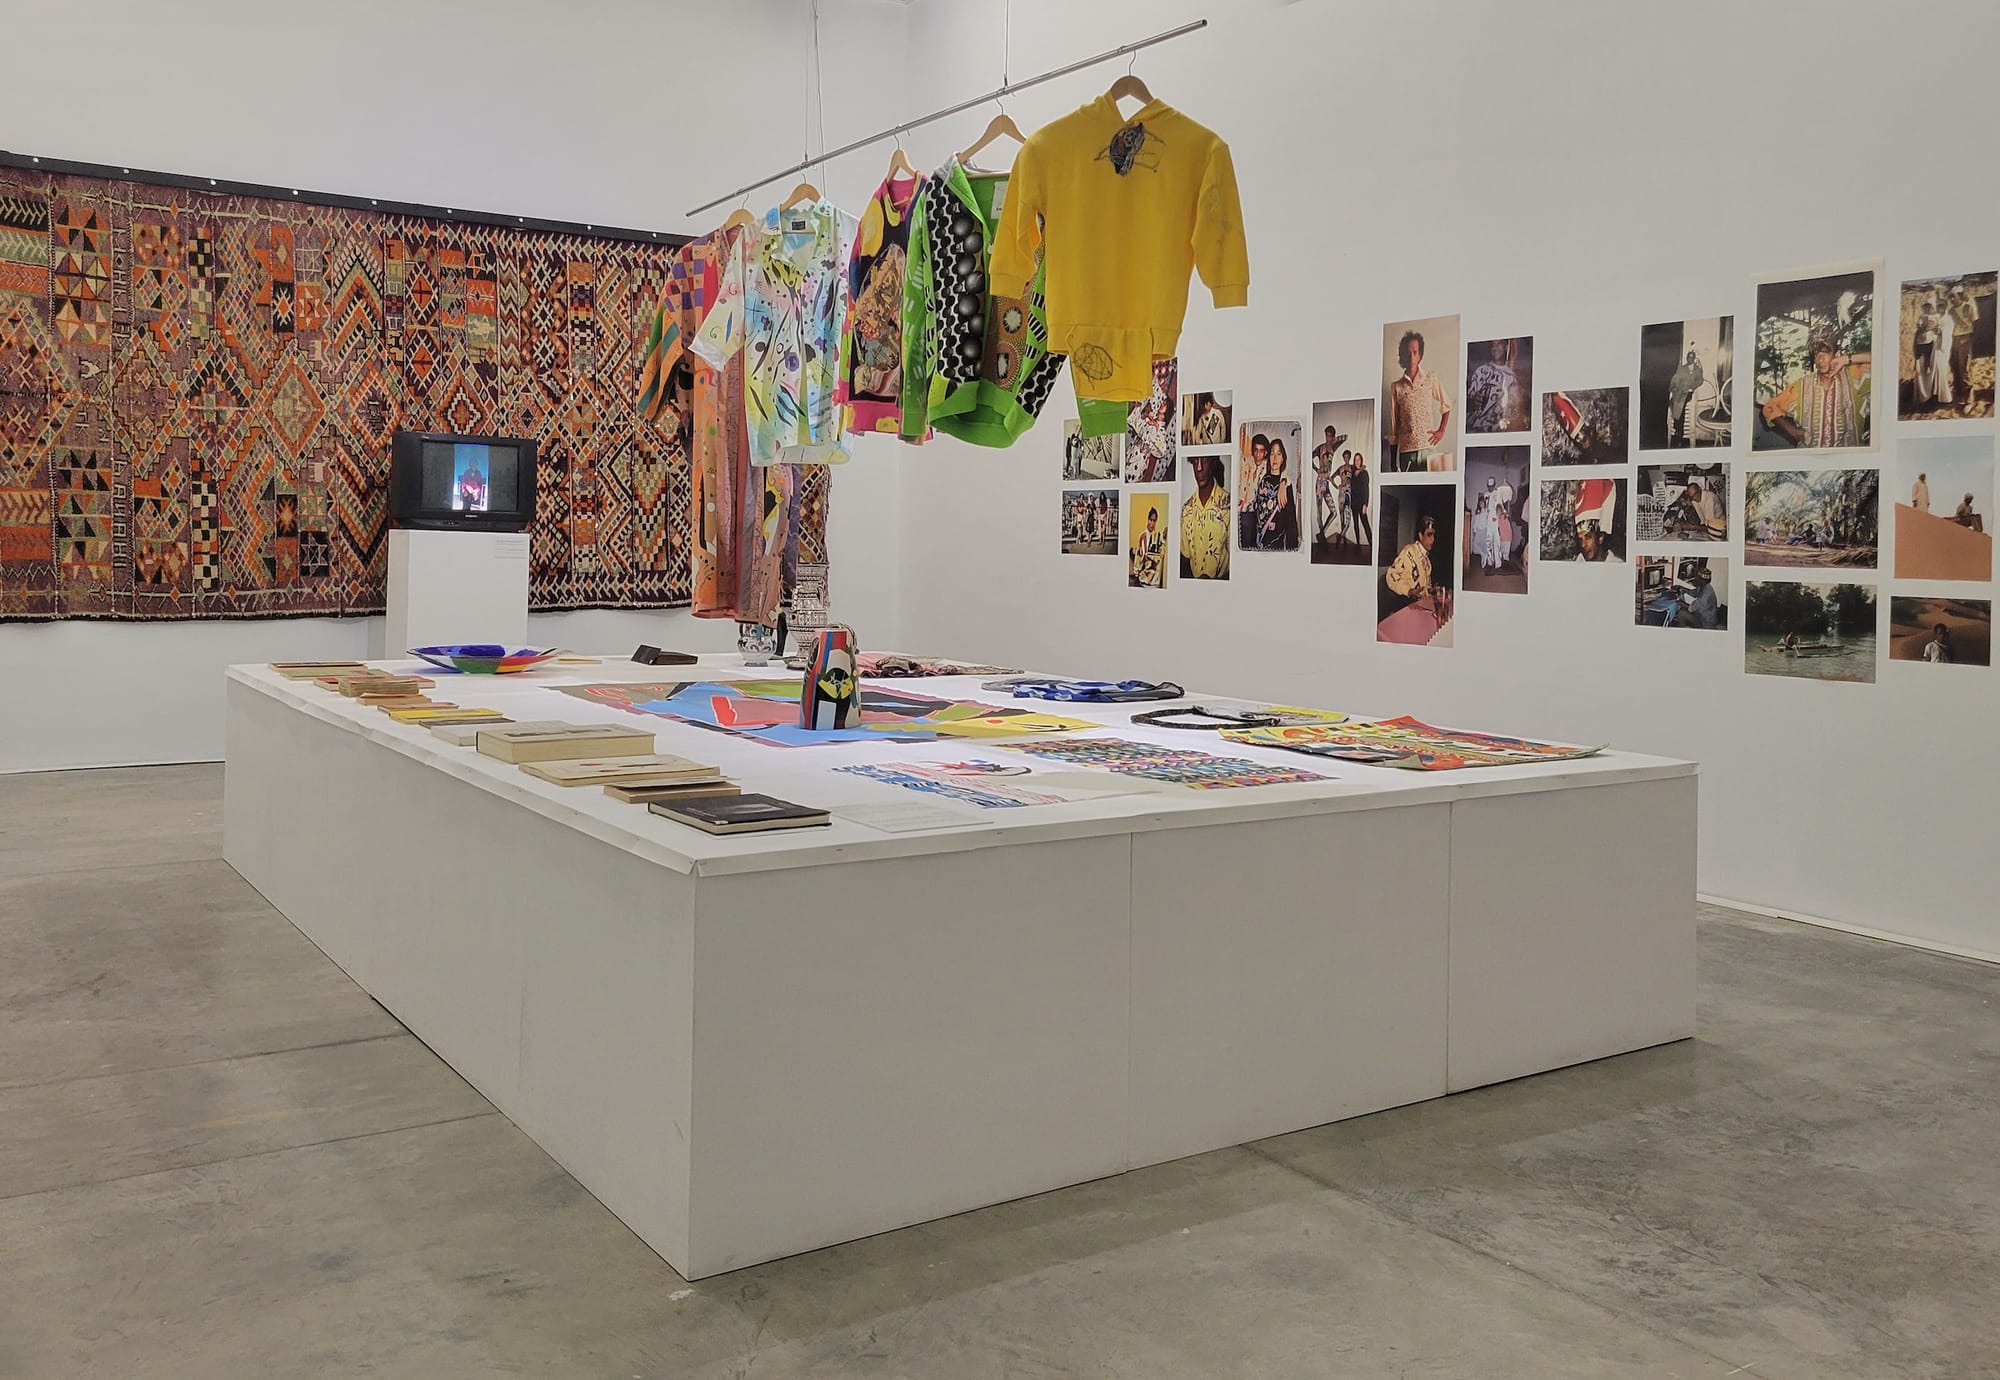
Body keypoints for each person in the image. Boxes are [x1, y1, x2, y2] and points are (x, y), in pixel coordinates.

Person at [1762, 333, 1871, 448]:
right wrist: (1792, 431)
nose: (1820, 359)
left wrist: (1847, 359)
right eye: (1816, 354)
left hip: (1847, 456)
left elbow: (1881, 358)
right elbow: (1770, 408)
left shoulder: (1855, 376)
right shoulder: (1801, 386)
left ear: (1837, 354)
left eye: (1825, 353)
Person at [1389, 330, 1452, 470]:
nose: (1411, 357)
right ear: (1403, 355)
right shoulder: (1396, 387)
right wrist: (1393, 463)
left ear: (1420, 355)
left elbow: (1447, 405)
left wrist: (1441, 430)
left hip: (1428, 449)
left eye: (1415, 352)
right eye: (1408, 353)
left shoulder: (1430, 378)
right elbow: (1394, 427)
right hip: (1406, 452)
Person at [1241, 431, 1299, 549]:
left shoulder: (1286, 485)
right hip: (1258, 539)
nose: (1275, 458)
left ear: (1283, 458)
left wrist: (1292, 550)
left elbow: (1291, 520)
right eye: (1272, 453)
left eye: (1279, 454)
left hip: (1276, 542)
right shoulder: (1263, 479)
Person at [1180, 455, 1231, 579]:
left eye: (1205, 460)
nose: (1199, 468)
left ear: (1213, 463)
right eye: (1195, 461)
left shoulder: (1229, 505)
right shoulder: (1187, 509)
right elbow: (1185, 558)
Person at [1384, 514, 1443, 618]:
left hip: (1420, 611)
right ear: (1420, 535)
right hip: (1404, 608)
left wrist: (1430, 591)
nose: (1433, 539)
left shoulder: (1428, 563)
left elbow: (1424, 590)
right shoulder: (1409, 552)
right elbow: (1390, 575)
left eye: (1434, 535)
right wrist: (1408, 591)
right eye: (1429, 535)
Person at [1466, 338, 1522, 433]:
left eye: (1499, 344)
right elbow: (1467, 402)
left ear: (1506, 347)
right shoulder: (1481, 371)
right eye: (1493, 345)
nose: (1495, 348)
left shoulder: (1512, 378)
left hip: (1497, 430)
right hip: (1475, 429)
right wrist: (1473, 401)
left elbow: (1514, 411)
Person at [1668, 346, 1704, 446]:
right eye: (1688, 357)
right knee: (1676, 404)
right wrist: (1673, 387)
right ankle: (1678, 432)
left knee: (1681, 406)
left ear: (1694, 358)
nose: (1690, 359)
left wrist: (1693, 387)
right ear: (1686, 358)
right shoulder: (1682, 368)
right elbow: (1675, 379)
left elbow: (1700, 380)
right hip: (1679, 391)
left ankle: (1678, 434)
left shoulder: (1697, 369)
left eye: (1692, 357)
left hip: (1688, 392)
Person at [1951, 286, 1980, 406]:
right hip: (1954, 339)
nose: (1952, 299)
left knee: (1964, 367)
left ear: (1960, 296)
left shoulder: (1969, 307)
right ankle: (1959, 394)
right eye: (1950, 297)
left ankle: (1968, 397)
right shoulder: (1950, 310)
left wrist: (1970, 339)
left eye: (1953, 296)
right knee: (1955, 367)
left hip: (1966, 338)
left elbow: (1976, 324)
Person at [1130, 506, 1165, 588]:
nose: (1152, 523)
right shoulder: (1142, 536)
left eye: (1154, 521)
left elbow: (1161, 555)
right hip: (1143, 579)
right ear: (1148, 519)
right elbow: (1138, 556)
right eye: (1150, 520)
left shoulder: (1158, 537)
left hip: (1155, 581)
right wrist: (1136, 572)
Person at [1348, 450, 1373, 548]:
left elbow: (1366, 489)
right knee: (1356, 525)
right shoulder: (1352, 473)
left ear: (1361, 461)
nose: (1357, 461)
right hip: (1353, 503)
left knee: (1366, 525)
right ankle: (1357, 543)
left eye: (1359, 459)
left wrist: (1365, 504)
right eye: (1355, 460)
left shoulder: (1364, 473)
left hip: (1361, 504)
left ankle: (1372, 545)